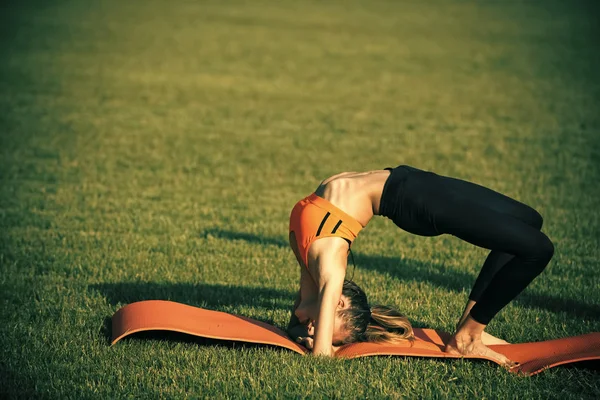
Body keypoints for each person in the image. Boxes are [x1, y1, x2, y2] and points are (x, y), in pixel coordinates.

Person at [287, 165, 554, 366]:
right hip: (414, 193)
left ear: (338, 303)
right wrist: (310, 337)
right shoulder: (315, 258)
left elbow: (318, 352)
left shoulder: (329, 273)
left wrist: (318, 343)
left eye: (319, 325)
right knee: (538, 249)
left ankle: (467, 331)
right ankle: (467, 338)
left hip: (413, 194)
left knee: (530, 221)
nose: (312, 327)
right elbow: (303, 328)